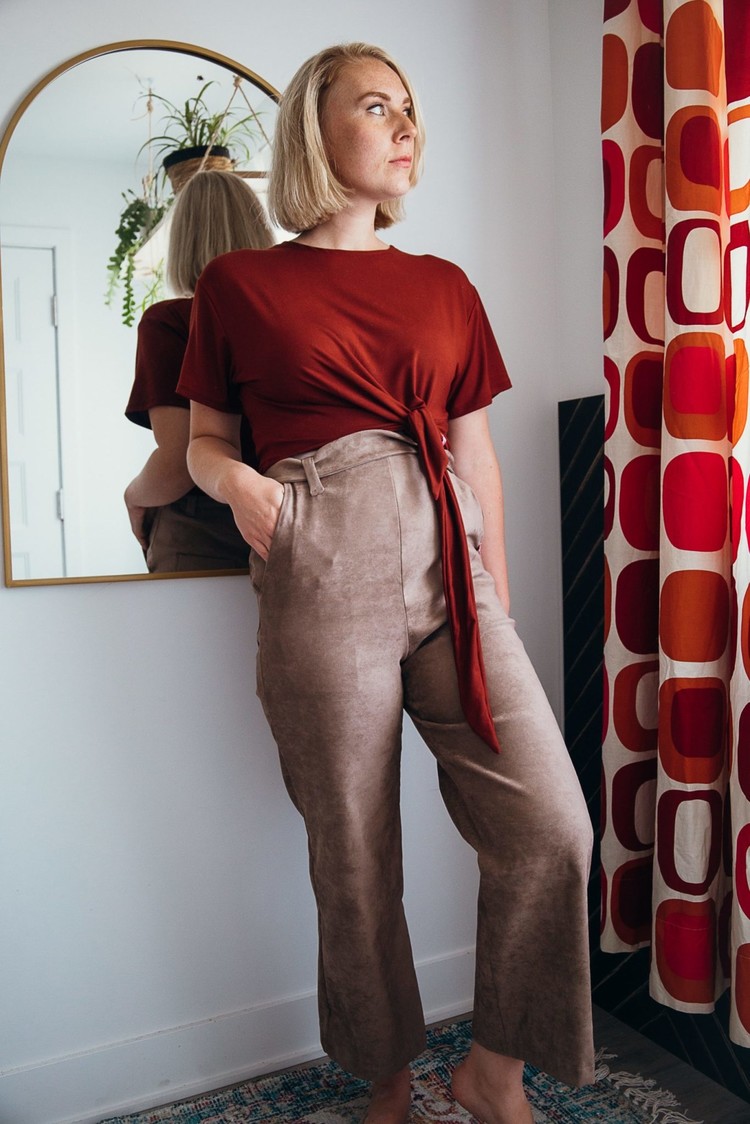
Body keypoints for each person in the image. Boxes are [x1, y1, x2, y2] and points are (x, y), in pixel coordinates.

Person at [177, 43, 594, 1124]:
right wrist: (242, 486)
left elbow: (475, 452)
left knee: (552, 827)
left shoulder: (445, 285)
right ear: (315, 131)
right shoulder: (239, 285)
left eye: (410, 107)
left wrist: (497, 599)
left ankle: (492, 1070)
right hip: (321, 558)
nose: (406, 126)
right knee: (355, 855)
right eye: (376, 106)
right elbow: (203, 443)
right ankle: (388, 1078)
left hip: (451, 568)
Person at [124, 169, 273, 573]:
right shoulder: (282, 321)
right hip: (279, 522)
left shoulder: (170, 323)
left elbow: (177, 463)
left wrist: (134, 495)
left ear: (183, 240)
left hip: (199, 534)